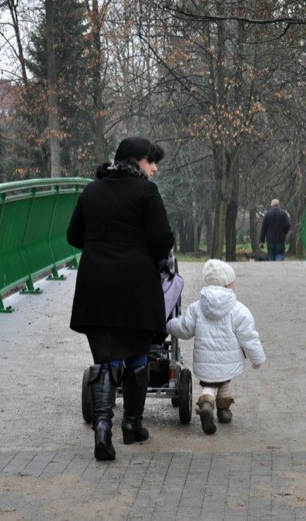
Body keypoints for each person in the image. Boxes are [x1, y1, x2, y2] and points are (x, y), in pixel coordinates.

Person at [67, 136, 174, 461]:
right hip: (136, 285)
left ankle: (102, 428)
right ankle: (131, 424)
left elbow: (73, 236)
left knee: (106, 359)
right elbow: (161, 241)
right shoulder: (146, 192)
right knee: (138, 353)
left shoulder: (91, 190)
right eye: (150, 161)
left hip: (96, 284)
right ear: (134, 161)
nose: (154, 168)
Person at [166, 259, 266, 434]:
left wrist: (169, 323)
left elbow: (184, 329)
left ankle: (207, 403)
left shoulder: (196, 308)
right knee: (224, 380)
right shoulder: (239, 310)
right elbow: (249, 337)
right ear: (229, 284)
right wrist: (257, 359)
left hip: (205, 361)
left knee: (210, 385)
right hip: (228, 361)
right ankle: (224, 411)